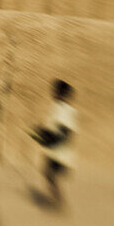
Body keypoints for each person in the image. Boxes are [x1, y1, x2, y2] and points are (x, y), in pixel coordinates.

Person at [29, 80, 78, 208]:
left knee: (49, 174)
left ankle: (58, 201)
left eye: (56, 91)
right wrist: (40, 133)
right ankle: (56, 200)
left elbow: (65, 132)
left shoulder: (65, 110)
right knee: (49, 174)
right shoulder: (58, 107)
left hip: (60, 151)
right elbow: (53, 127)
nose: (53, 93)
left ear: (62, 93)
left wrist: (47, 139)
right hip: (56, 149)